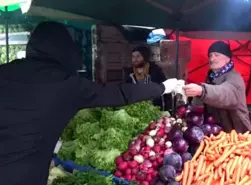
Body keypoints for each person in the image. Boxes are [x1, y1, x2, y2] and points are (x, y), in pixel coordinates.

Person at [0, 21, 180, 185]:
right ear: (65, 50)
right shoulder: (65, 84)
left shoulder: (5, 72)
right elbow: (118, 93)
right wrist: (162, 88)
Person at [184, 41, 251, 133]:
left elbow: (224, 94)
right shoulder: (211, 76)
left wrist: (202, 90)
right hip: (218, 131)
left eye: (217, 55)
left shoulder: (234, 78)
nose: (212, 59)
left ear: (227, 58)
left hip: (237, 133)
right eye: (210, 55)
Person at [124, 46, 172, 111]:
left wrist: (168, 110)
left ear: (145, 57)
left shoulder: (156, 72)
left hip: (155, 110)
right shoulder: (129, 74)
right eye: (133, 56)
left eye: (138, 56)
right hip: (136, 111)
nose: (135, 59)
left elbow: (166, 91)